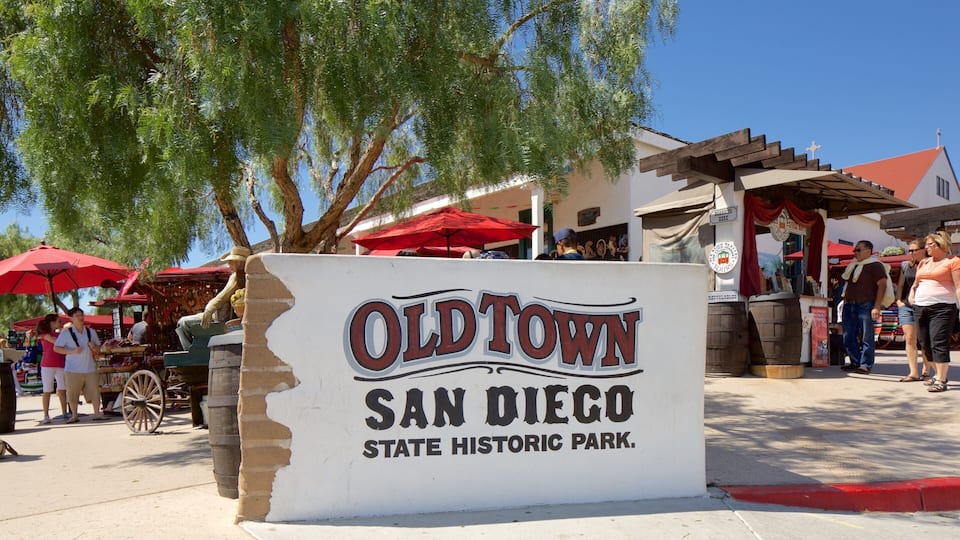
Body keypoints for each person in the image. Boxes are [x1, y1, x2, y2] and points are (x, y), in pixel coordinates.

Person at [908, 231, 960, 393]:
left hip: (943, 307)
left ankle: (941, 379)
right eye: (927, 245)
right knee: (924, 343)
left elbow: (958, 285)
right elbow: (916, 283)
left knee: (938, 341)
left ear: (941, 245)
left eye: (930, 244)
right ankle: (937, 374)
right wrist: (912, 294)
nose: (927, 248)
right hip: (921, 306)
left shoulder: (953, 261)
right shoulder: (923, 263)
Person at [176, 246, 248, 350]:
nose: (229, 264)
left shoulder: (237, 277)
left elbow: (222, 297)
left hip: (221, 318)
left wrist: (209, 308)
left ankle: (191, 352)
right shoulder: (246, 277)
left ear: (239, 263)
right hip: (225, 316)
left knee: (183, 323)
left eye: (231, 261)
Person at [840, 240, 890, 375]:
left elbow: (882, 285)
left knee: (867, 336)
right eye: (855, 250)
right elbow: (848, 285)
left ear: (869, 250)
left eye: (858, 250)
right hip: (850, 304)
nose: (855, 253)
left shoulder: (876, 265)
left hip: (866, 304)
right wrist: (845, 301)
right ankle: (855, 361)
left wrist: (877, 306)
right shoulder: (853, 266)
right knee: (848, 335)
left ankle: (865, 364)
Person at [53, 307, 105, 423]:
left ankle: (97, 413)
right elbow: (56, 348)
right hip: (72, 369)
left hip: (89, 368)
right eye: (77, 316)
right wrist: (71, 351)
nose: (81, 318)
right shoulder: (66, 333)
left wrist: (94, 347)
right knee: (72, 393)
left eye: (82, 315)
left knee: (95, 392)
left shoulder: (90, 332)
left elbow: (99, 348)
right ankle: (74, 415)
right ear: (71, 318)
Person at [896, 240, 932, 382]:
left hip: (925, 304)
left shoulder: (931, 264)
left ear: (923, 250)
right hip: (906, 305)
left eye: (914, 250)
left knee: (924, 339)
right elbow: (900, 285)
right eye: (909, 250)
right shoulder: (905, 265)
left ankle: (926, 369)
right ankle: (913, 372)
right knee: (910, 338)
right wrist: (898, 301)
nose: (911, 253)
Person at [36, 314, 68, 423]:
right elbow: (58, 343)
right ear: (52, 322)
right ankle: (46, 415)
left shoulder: (57, 334)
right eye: (58, 321)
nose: (60, 323)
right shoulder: (45, 335)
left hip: (60, 363)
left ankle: (64, 412)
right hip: (48, 364)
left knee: (62, 389)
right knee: (47, 390)